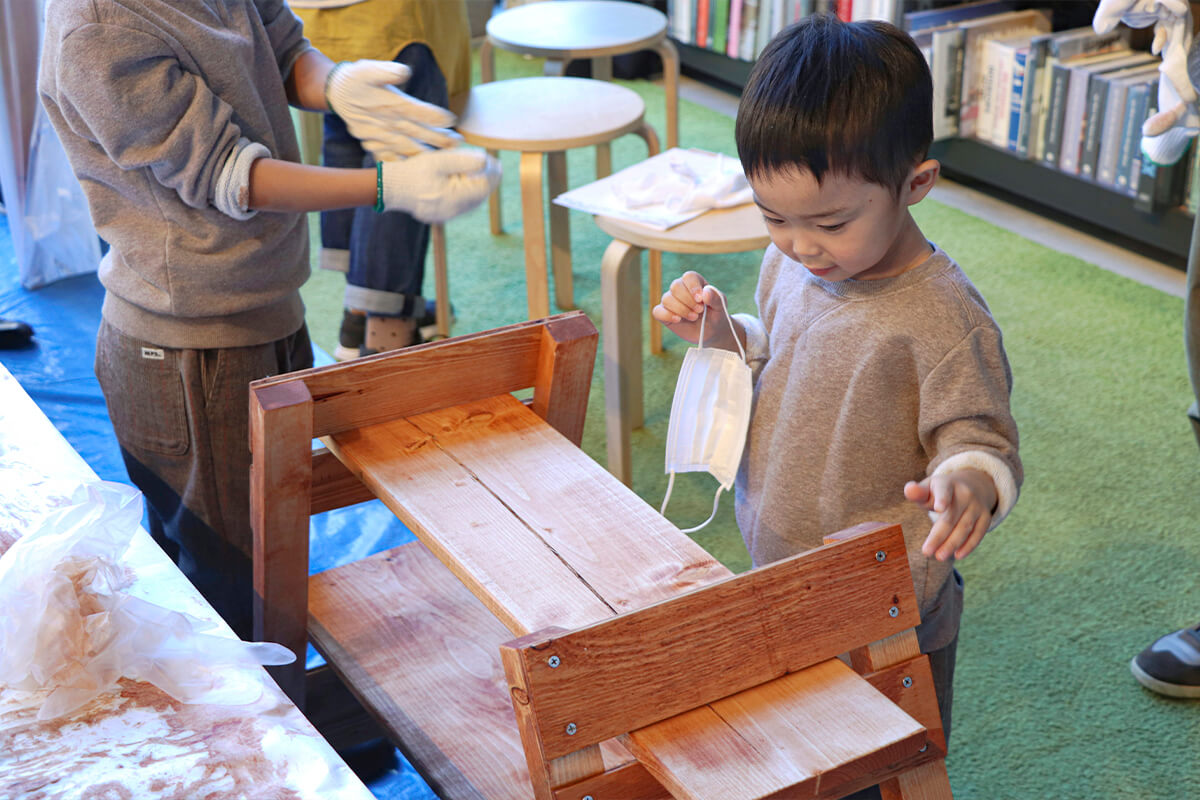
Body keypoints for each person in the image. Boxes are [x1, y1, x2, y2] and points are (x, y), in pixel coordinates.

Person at [38, 0, 499, 640]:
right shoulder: (98, 26)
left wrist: (334, 83)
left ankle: (283, 709)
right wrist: (383, 189)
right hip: (188, 347)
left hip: (264, 303)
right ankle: (263, 726)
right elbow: (231, 174)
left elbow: (279, 47)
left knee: (271, 545)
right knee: (232, 588)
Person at [653, 13, 1022, 755]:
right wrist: (722, 335)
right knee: (800, 739)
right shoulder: (792, 262)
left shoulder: (944, 318)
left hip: (889, 599)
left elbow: (980, 436)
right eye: (773, 217)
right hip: (782, 557)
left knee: (888, 753)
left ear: (914, 184)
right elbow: (777, 350)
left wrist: (969, 483)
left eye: (829, 221)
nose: (799, 245)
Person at [291, 0, 473, 358]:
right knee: (402, 167)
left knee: (349, 133)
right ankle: (387, 332)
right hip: (398, 21)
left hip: (313, 17)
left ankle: (357, 319)